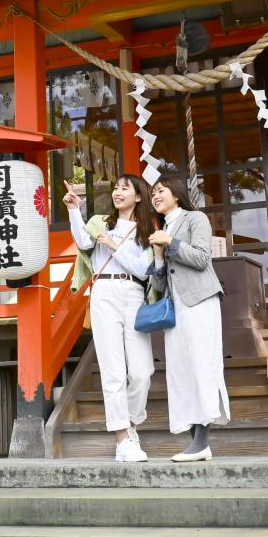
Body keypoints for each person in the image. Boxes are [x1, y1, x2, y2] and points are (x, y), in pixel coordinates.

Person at [66, 174, 157, 462]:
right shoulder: (100, 223)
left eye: (124, 188)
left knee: (143, 372)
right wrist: (73, 209)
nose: (118, 192)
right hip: (103, 291)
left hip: (133, 293)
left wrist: (115, 245)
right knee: (113, 371)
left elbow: (144, 270)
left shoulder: (146, 232)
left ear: (138, 197)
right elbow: (82, 240)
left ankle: (130, 425)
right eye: (116, 188)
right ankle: (122, 437)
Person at [147, 176, 230, 462]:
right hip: (176, 310)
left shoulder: (195, 219)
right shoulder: (161, 229)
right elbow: (158, 286)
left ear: (177, 195)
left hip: (200, 302)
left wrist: (170, 242)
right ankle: (196, 441)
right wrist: (158, 256)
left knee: (201, 366)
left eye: (160, 191)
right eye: (152, 193)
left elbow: (201, 258)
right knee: (180, 371)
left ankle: (202, 441)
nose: (155, 196)